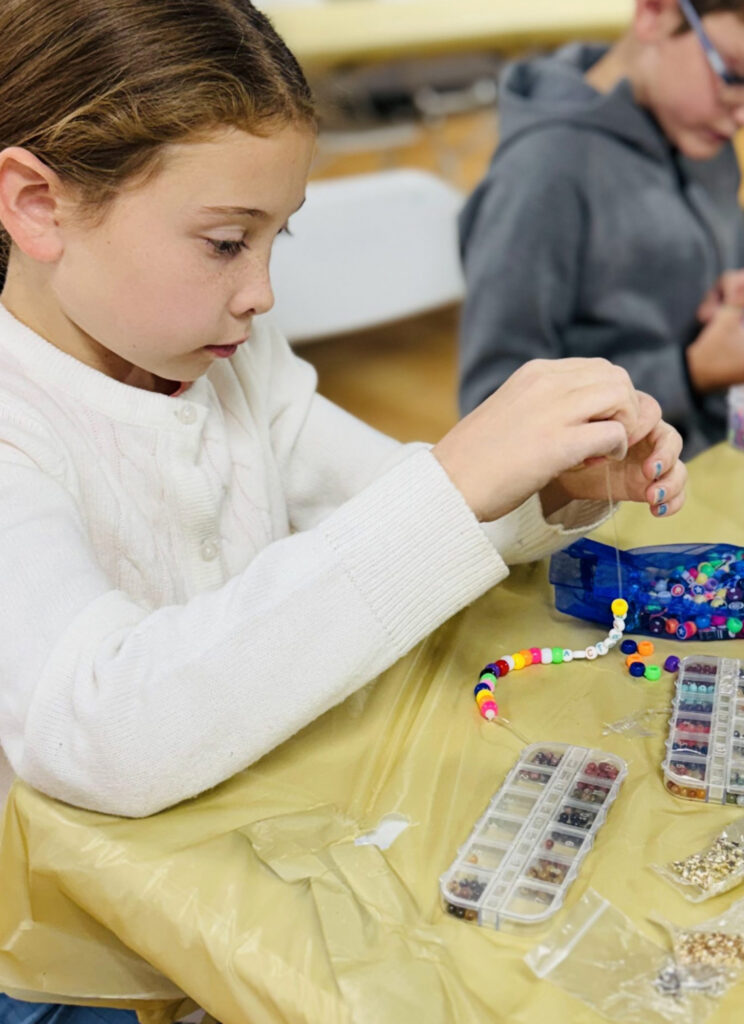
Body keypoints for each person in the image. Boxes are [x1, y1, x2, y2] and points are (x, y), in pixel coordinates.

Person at [0, 0, 688, 1018]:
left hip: (222, 869)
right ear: (37, 205)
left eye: (275, 236)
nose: (263, 292)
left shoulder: (228, 360)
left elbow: (387, 505)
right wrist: (454, 481)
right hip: (64, 955)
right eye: (226, 242)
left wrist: (543, 486)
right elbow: (101, 731)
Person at [457, 0, 744, 459]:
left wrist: (739, 315)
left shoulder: (701, 134)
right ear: (655, 12)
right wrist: (690, 373)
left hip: (708, 456)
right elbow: (493, 410)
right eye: (740, 74)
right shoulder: (541, 174)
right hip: (616, 491)